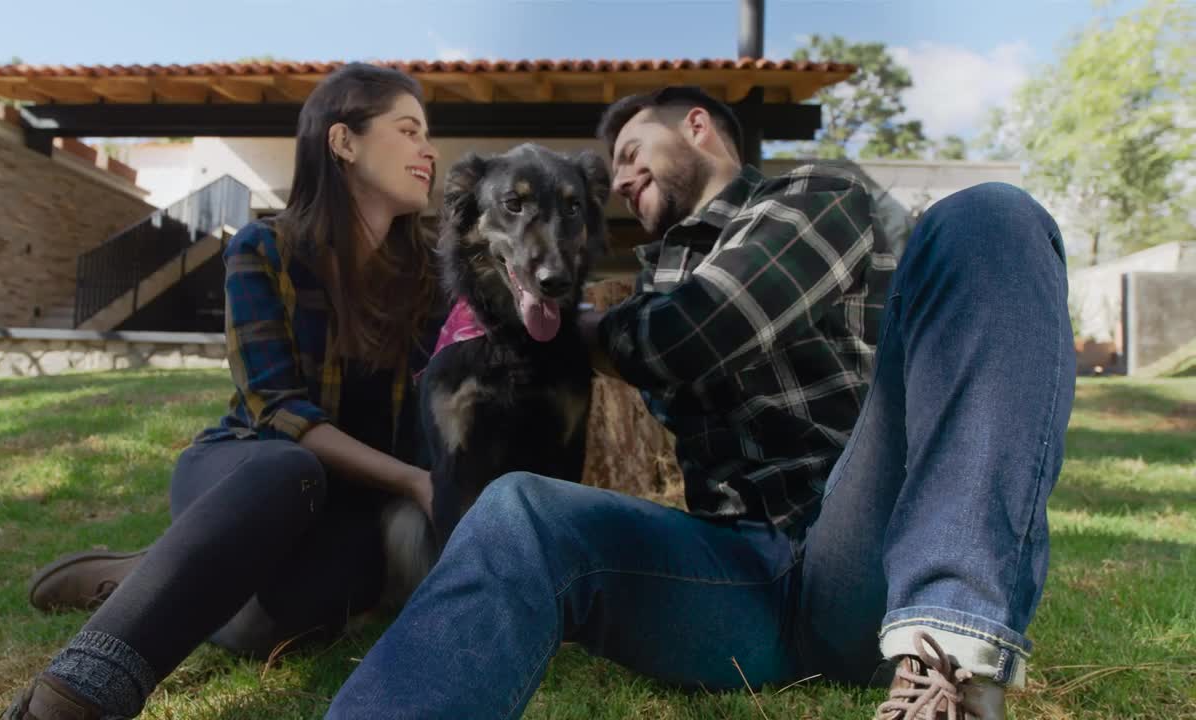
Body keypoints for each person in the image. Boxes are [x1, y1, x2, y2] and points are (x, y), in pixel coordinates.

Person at [325, 86, 1075, 720]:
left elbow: (699, 332)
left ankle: (950, 667)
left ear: (696, 126)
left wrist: (578, 327)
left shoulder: (814, 197)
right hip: (730, 582)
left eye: (631, 153)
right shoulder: (655, 279)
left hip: (860, 560)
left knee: (990, 216)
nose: (620, 180)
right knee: (518, 507)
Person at [2, 62, 444, 720]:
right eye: (408, 130)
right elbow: (280, 411)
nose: (428, 151)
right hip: (246, 470)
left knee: (304, 613)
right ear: (344, 141)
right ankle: (74, 695)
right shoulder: (264, 248)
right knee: (291, 470)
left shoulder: (432, 280)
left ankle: (152, 572)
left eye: (427, 135)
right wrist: (413, 481)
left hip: (345, 512)